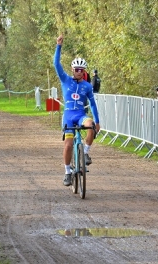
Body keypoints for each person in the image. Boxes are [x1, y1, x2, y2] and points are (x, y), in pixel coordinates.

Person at [53, 35, 101, 186]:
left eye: (81, 70)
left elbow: (92, 104)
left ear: (84, 71)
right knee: (68, 144)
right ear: (72, 70)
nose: (79, 72)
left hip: (80, 115)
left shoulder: (87, 86)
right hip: (68, 116)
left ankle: (85, 152)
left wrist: (97, 121)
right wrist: (58, 46)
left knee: (91, 126)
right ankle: (67, 171)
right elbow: (56, 64)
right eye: (76, 69)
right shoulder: (65, 80)